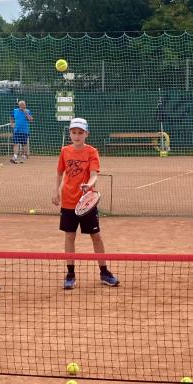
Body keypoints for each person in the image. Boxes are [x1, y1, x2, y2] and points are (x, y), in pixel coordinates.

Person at [52, 118, 119, 290]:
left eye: (80, 133)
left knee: (96, 236)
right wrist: (55, 191)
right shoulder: (64, 151)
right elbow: (60, 173)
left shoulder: (92, 152)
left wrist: (89, 185)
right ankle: (70, 274)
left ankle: (104, 272)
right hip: (68, 201)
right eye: (74, 132)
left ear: (86, 134)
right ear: (70, 134)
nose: (77, 136)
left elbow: (94, 174)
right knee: (69, 236)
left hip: (86, 202)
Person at [10, 99, 33, 163]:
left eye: (24, 105)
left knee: (24, 144)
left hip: (25, 131)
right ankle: (15, 157)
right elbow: (11, 117)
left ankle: (23, 156)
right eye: (22, 105)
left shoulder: (28, 111)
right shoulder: (14, 111)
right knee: (15, 143)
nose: (24, 106)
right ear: (19, 105)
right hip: (17, 130)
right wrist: (12, 124)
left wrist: (26, 113)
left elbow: (31, 119)